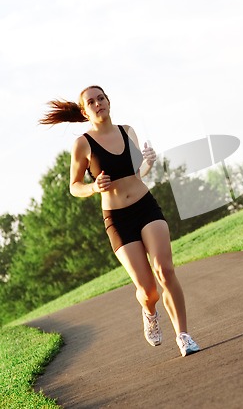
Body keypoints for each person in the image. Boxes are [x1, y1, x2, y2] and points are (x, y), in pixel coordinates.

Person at [39, 85, 200, 357]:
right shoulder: (83, 144)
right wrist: (93, 188)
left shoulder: (127, 131)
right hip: (117, 219)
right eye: (91, 101)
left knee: (165, 270)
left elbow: (137, 174)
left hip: (146, 207)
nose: (98, 103)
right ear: (84, 111)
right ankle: (149, 311)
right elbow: (74, 186)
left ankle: (183, 336)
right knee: (148, 290)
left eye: (101, 98)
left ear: (108, 101)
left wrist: (148, 163)